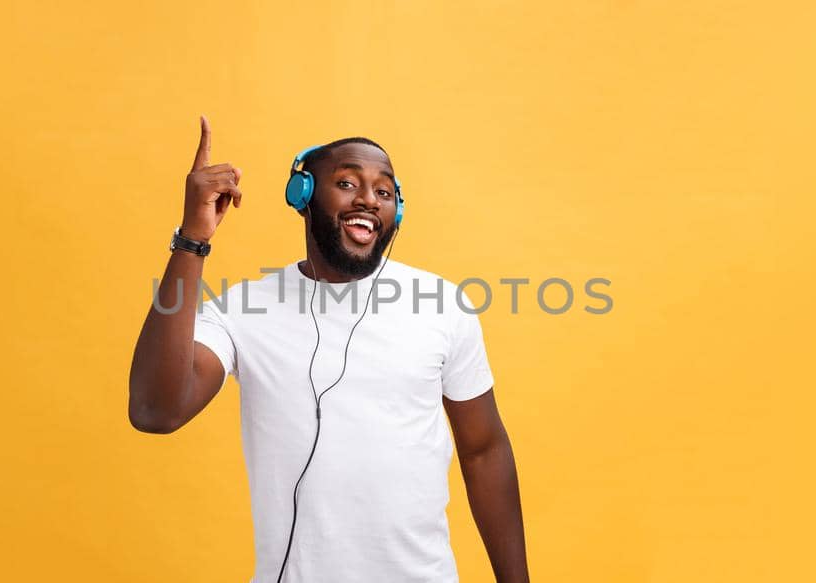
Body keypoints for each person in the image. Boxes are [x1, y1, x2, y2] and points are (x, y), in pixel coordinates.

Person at [128, 116, 529, 582]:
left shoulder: (442, 306)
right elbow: (156, 411)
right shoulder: (244, 308)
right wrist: (192, 239)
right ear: (303, 198)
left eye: (384, 191)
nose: (368, 199)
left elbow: (483, 450)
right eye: (346, 182)